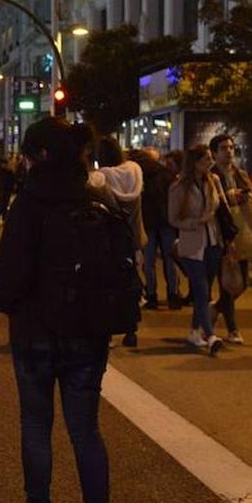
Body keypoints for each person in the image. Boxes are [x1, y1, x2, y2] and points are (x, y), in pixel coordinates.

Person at [0, 116, 116, 503]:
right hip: (88, 335)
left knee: (36, 425)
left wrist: (6, 294)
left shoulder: (28, 206)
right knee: (86, 430)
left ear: (40, 157)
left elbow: (10, 283)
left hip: (35, 334)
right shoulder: (96, 200)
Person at [168, 145, 225, 355]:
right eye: (206, 159)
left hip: (213, 242)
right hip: (192, 244)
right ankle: (210, 336)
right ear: (194, 162)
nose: (210, 162)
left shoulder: (213, 181)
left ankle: (194, 331)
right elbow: (173, 218)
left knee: (205, 290)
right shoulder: (178, 187)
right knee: (201, 290)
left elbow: (222, 207)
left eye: (210, 158)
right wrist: (196, 222)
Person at [89, 138, 145, 347]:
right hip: (134, 235)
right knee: (131, 282)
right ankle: (131, 330)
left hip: (111, 239)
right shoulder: (135, 172)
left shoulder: (100, 178)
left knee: (109, 285)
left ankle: (110, 331)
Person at [210, 134, 252, 344]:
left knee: (242, 283)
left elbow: (250, 197)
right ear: (214, 152)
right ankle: (233, 329)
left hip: (241, 232)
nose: (228, 151)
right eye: (223, 148)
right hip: (221, 233)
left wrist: (247, 197)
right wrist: (226, 197)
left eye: (231, 147)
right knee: (227, 281)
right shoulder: (211, 175)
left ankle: (215, 308)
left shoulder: (240, 173)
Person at [133, 147, 182, 311]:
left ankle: (151, 295)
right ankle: (172, 295)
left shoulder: (140, 175)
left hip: (148, 222)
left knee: (149, 261)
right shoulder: (165, 174)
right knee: (170, 259)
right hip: (166, 221)